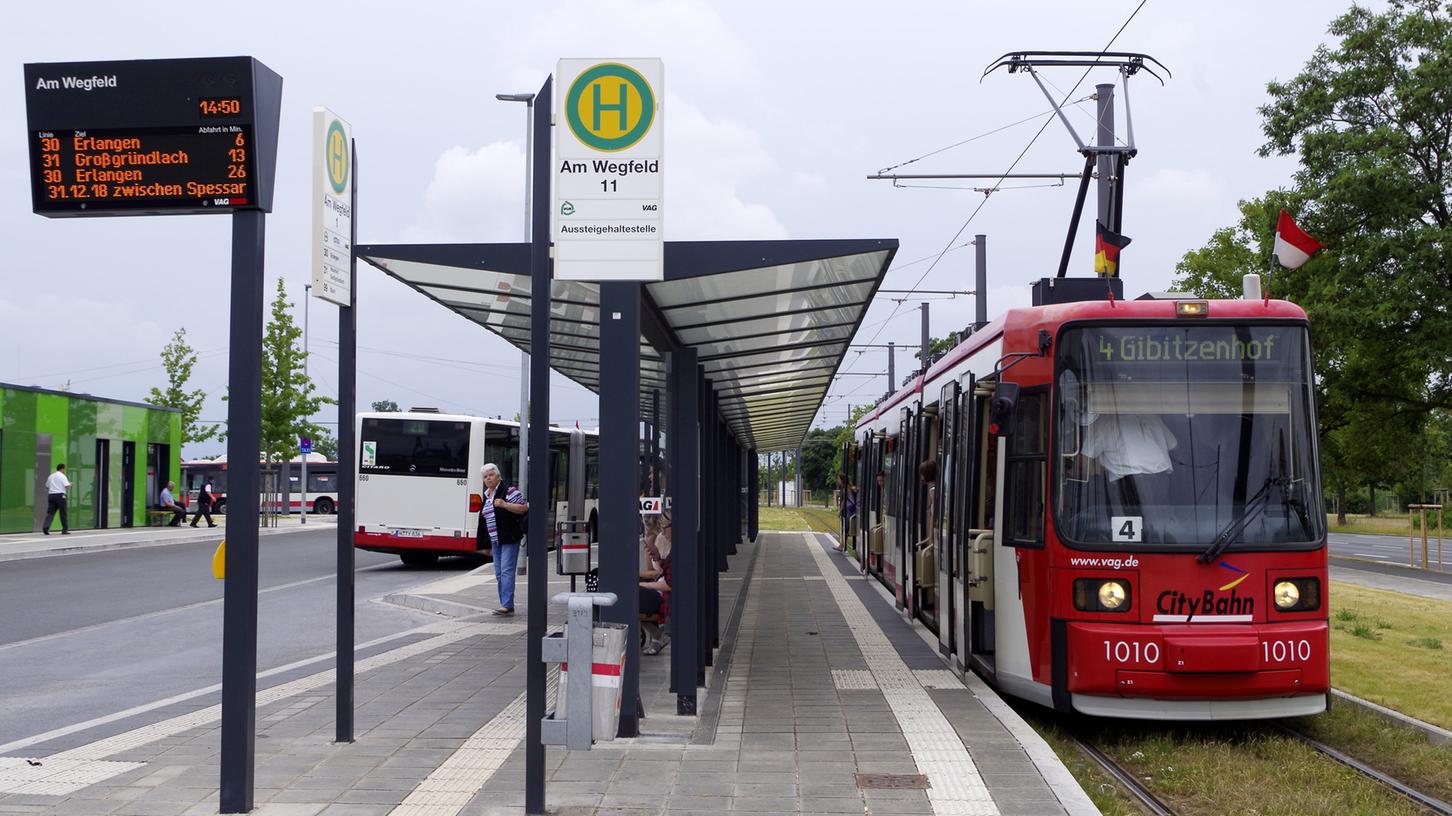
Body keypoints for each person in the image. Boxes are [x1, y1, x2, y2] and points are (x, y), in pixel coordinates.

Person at [479, 462, 528, 616]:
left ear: (498, 476)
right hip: (495, 540)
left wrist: (505, 505)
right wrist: (484, 544)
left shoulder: (509, 491)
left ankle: (506, 605)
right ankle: (505, 603)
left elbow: (524, 508)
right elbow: (484, 521)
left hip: (509, 537)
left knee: (506, 571)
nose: (488, 478)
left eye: (491, 475)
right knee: (499, 573)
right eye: (485, 476)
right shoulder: (486, 495)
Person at [639, 511, 672, 655]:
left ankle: (657, 637)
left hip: (663, 594)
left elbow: (668, 583)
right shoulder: (661, 540)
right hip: (659, 589)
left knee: (631, 595)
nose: (663, 532)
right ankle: (657, 636)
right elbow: (659, 571)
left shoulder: (676, 548)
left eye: (665, 527)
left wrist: (642, 585)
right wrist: (656, 556)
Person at [42, 463, 71, 535]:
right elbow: (67, 486)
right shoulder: (62, 476)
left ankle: (46, 526)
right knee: (63, 513)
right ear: (62, 468)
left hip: (51, 495)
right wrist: (71, 484)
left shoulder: (51, 476)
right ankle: (64, 529)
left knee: (50, 513)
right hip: (60, 496)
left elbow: (47, 485)